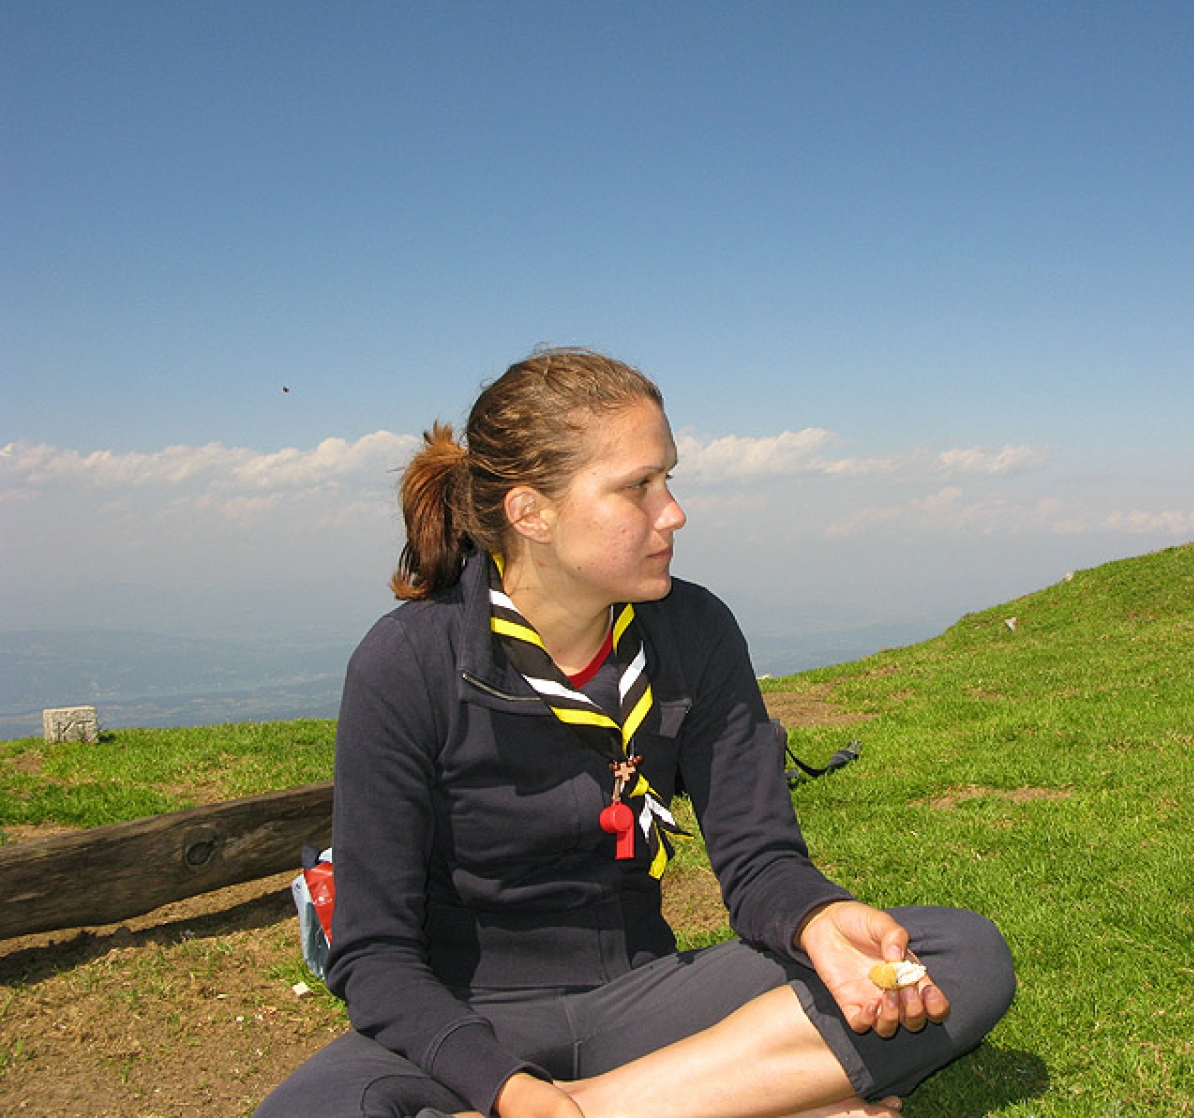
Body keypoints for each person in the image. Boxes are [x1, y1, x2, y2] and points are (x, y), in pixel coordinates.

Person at [255, 348, 1015, 1118]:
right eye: (637, 488)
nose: (673, 512)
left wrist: (818, 918)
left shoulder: (694, 631)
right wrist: (509, 1090)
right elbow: (374, 953)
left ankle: (603, 1107)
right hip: (465, 1020)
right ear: (531, 513)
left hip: (649, 1008)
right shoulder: (408, 661)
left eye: (669, 479)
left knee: (958, 958)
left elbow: (760, 861)